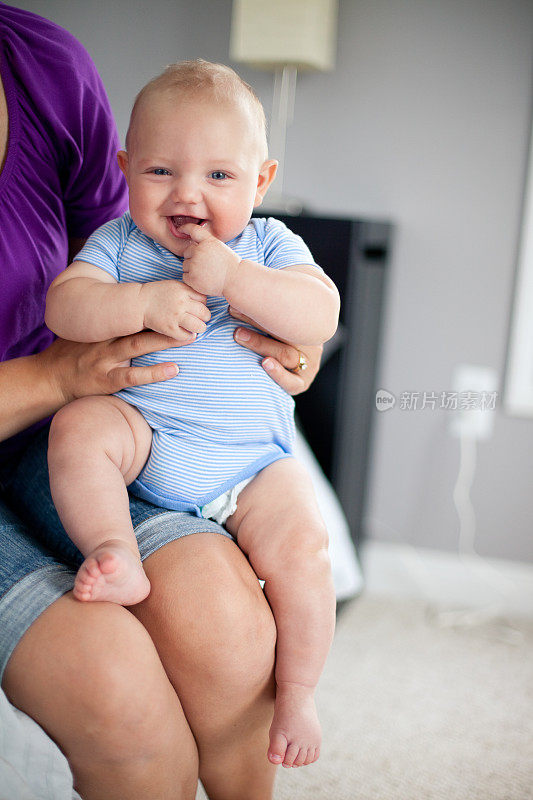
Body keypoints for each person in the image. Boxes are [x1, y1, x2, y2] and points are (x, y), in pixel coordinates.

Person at [0, 4, 322, 798]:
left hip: (246, 459)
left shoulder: (269, 244)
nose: (187, 195)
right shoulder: (123, 249)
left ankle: (302, 698)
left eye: (218, 176)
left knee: (264, 593)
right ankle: (115, 551)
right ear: (128, 166)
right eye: (159, 172)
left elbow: (318, 314)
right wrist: (135, 308)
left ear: (261, 182)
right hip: (126, 436)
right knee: (83, 428)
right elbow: (65, 308)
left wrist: (261, 307)